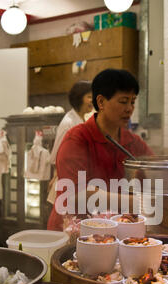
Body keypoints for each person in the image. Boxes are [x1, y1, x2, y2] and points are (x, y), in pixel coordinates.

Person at [47, 69, 153, 232]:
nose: (129, 109)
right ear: (101, 102)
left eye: (132, 102)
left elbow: (155, 172)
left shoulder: (133, 143)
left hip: (111, 231)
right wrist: (139, 202)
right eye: (123, 101)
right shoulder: (77, 139)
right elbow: (76, 195)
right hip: (73, 232)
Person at [47, 80, 93, 204]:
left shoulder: (82, 119)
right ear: (79, 98)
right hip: (69, 179)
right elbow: (57, 153)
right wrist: (56, 175)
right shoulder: (68, 123)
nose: (92, 101)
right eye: (89, 97)